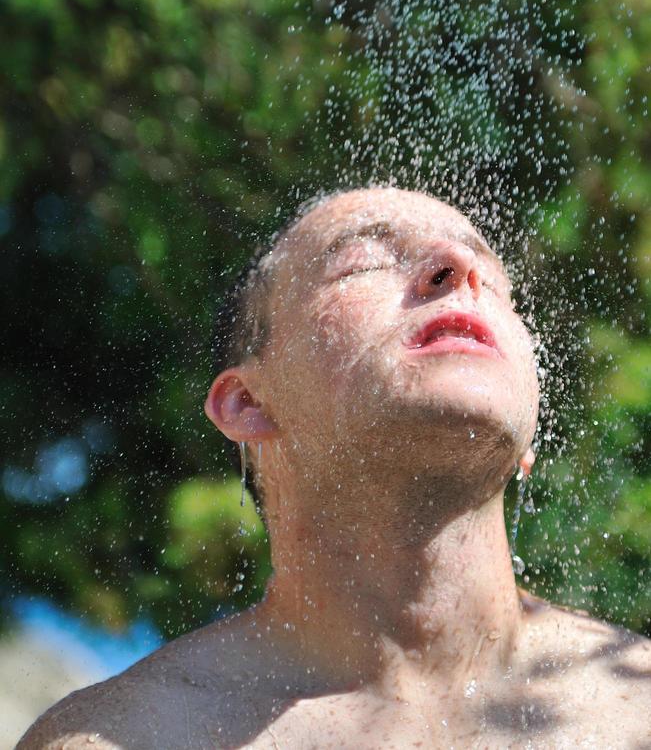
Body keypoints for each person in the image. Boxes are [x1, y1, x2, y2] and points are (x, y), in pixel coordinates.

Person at [19, 186, 651, 749]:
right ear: (248, 402)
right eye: (364, 262)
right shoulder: (134, 736)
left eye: (491, 274)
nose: (459, 271)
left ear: (528, 442)